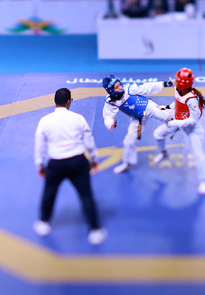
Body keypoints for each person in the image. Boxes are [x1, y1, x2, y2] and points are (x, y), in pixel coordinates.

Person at [33, 88, 107, 245]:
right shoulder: (78, 118)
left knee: (49, 193)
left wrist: (40, 164)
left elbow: (39, 144)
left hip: (56, 163)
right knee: (86, 195)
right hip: (78, 162)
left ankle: (43, 223)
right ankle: (95, 231)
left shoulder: (45, 121)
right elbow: (88, 140)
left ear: (55, 102)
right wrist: (94, 158)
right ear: (68, 102)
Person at [152, 68, 205, 195]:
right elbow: (177, 102)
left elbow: (192, 120)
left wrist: (175, 123)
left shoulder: (192, 99)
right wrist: (167, 107)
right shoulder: (177, 89)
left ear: (184, 84)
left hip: (191, 126)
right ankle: (163, 154)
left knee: (197, 152)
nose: (175, 83)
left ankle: (203, 180)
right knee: (158, 133)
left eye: (178, 82)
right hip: (178, 119)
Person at [102, 75, 174, 174]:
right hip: (138, 119)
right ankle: (127, 163)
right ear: (111, 91)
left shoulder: (128, 89)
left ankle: (177, 109)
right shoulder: (110, 102)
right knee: (129, 141)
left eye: (120, 85)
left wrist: (167, 84)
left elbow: (147, 87)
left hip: (149, 107)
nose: (120, 88)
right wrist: (110, 123)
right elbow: (108, 116)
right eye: (117, 87)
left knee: (168, 118)